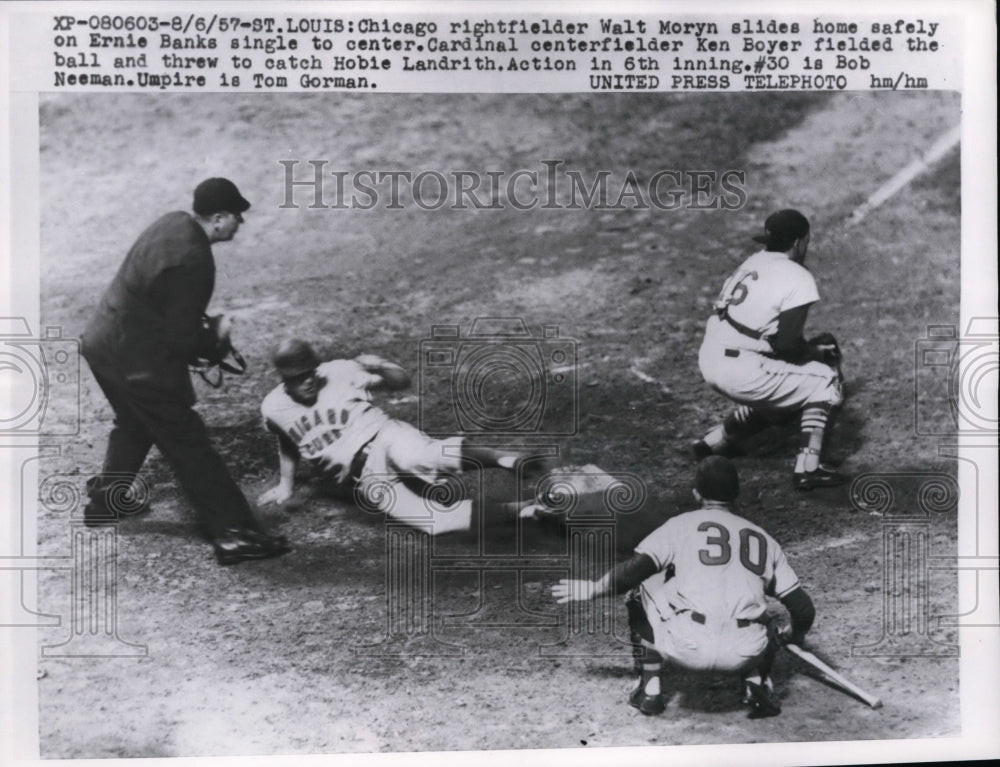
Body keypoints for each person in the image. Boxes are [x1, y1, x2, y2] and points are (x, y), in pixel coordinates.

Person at [80, 178, 291, 565]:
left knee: (135, 423)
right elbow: (181, 341)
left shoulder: (172, 223)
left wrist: (198, 327)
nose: (239, 224)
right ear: (218, 218)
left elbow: (161, 302)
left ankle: (104, 504)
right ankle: (233, 534)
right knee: (189, 444)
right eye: (236, 217)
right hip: (135, 360)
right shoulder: (195, 258)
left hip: (102, 343)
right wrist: (217, 339)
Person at [552, 457, 815, 718]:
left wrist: (594, 589)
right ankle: (757, 683)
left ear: (696, 493)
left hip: (687, 646)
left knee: (642, 588)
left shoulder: (681, 524)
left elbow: (632, 573)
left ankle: (650, 689)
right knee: (764, 616)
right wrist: (793, 635)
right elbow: (803, 609)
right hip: (744, 651)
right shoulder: (764, 539)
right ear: (736, 494)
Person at [258, 339, 545, 534]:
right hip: (365, 476)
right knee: (433, 522)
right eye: (297, 377)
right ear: (283, 378)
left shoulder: (340, 371)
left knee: (419, 455)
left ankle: (507, 459)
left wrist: (382, 365)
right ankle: (527, 510)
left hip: (384, 436)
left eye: (310, 373)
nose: (307, 380)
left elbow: (400, 382)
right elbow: (287, 440)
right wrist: (286, 483)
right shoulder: (273, 407)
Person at [693, 209, 846, 490]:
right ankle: (808, 468)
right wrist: (816, 354)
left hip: (711, 355)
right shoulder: (798, 277)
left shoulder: (754, 261)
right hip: (740, 369)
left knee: (786, 388)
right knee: (826, 382)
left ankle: (715, 442)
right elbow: (787, 346)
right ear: (800, 242)